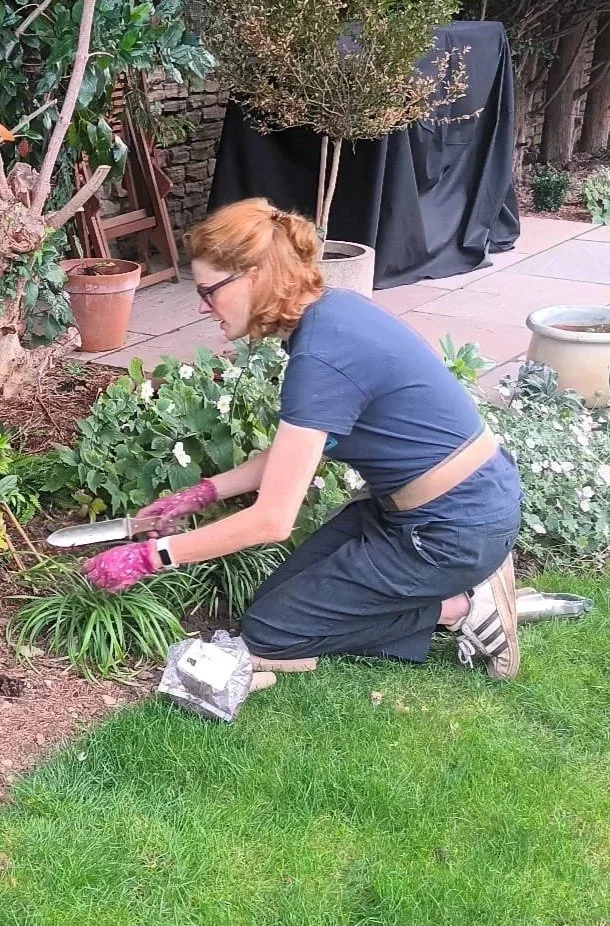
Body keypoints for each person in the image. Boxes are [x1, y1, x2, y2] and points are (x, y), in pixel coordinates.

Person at [83, 198, 524, 680]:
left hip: (449, 531)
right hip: (422, 514)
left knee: (273, 633)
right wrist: (200, 493)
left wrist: (151, 556)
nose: (203, 305)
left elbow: (272, 520)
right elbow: (295, 454)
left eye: (210, 291)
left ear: (253, 276)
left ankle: (461, 607)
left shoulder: (321, 355)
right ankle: (453, 595)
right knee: (272, 604)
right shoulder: (330, 315)